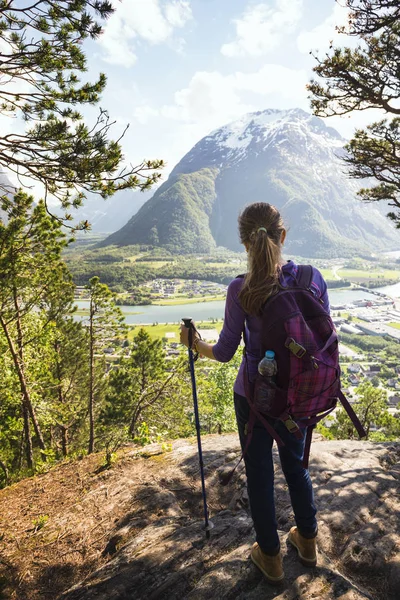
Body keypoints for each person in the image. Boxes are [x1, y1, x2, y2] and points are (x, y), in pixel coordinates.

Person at [180, 202, 330, 584]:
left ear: (245, 244)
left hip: (256, 399)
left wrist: (195, 344)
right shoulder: (313, 279)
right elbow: (321, 341)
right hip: (300, 397)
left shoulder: (241, 289)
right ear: (283, 236)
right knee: (296, 465)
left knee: (260, 474)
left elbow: (226, 352)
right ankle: (308, 541)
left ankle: (270, 556)